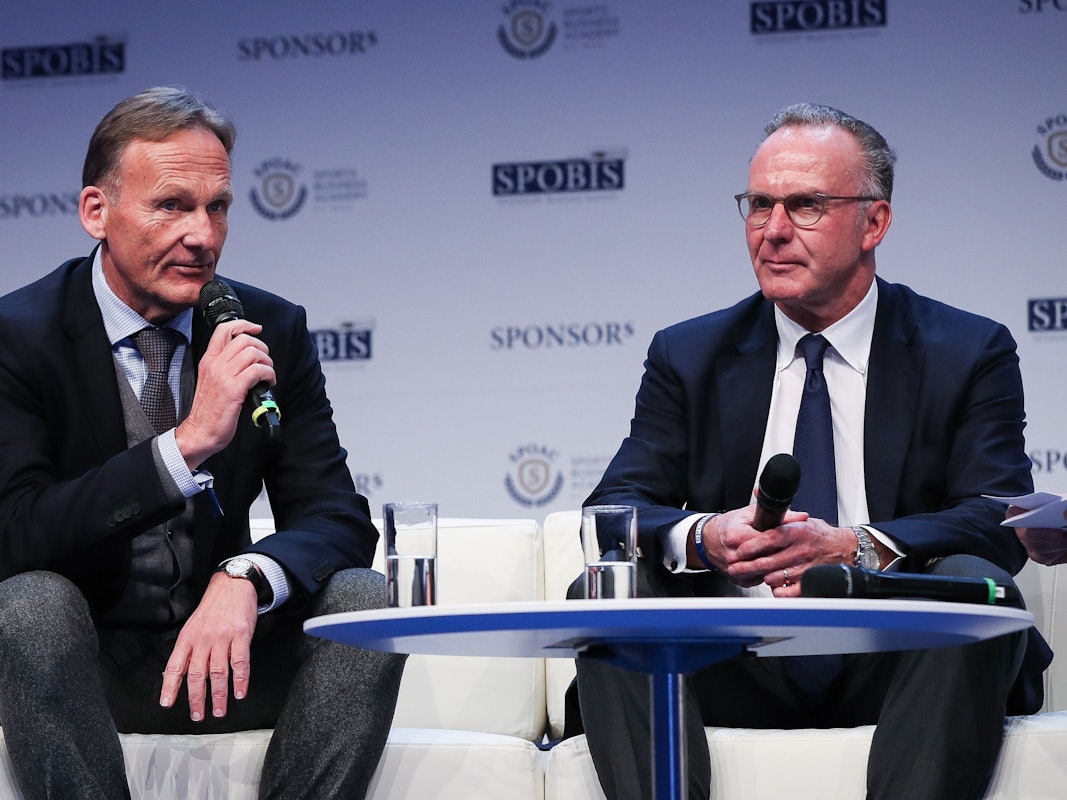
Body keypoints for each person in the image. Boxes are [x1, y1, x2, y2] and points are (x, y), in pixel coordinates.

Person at [566, 103, 1051, 800]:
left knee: (974, 582)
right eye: (759, 205)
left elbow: (995, 517)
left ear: (874, 223)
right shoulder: (689, 353)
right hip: (734, 657)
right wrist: (704, 537)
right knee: (611, 590)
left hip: (902, 657)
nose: (772, 230)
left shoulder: (966, 350)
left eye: (805, 205)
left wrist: (857, 546)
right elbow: (610, 511)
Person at [0, 87, 406, 800]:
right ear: (96, 211)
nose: (202, 235)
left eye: (217, 207)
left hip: (226, 658)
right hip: (81, 668)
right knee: (30, 604)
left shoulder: (268, 327)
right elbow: (15, 533)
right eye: (172, 205)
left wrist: (246, 577)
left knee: (362, 598)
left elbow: (336, 518)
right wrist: (183, 448)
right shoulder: (19, 337)